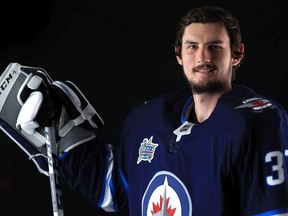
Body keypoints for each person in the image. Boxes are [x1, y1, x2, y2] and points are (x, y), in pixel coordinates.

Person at [3, 5, 288, 215]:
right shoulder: (147, 120)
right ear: (179, 55)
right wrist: (63, 135)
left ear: (237, 54)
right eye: (192, 47)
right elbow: (117, 190)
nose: (202, 57)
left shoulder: (259, 122)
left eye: (215, 46)